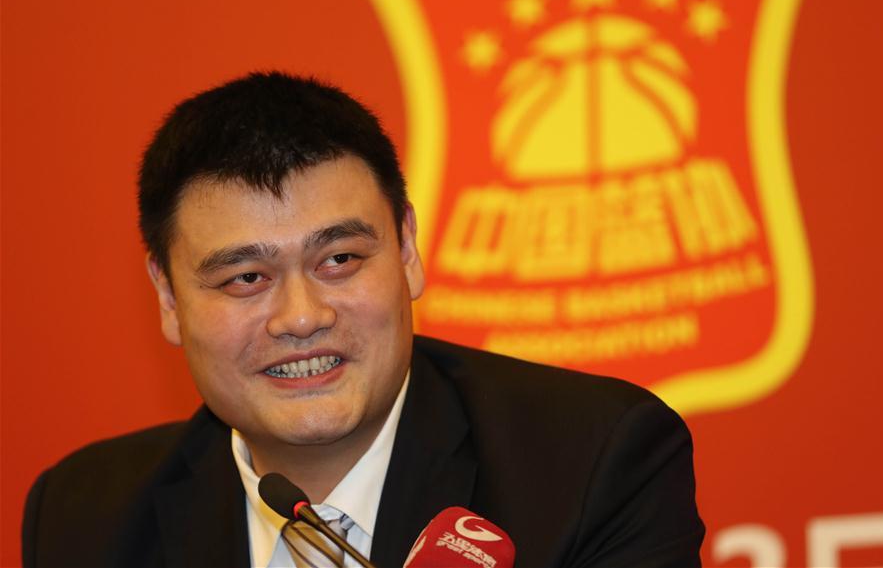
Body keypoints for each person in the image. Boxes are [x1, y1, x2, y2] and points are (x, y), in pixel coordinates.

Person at [22, 72, 704, 568]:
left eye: (340, 259)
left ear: (407, 251)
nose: (301, 317)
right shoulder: (84, 517)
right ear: (169, 298)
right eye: (246, 278)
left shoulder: (592, 465)